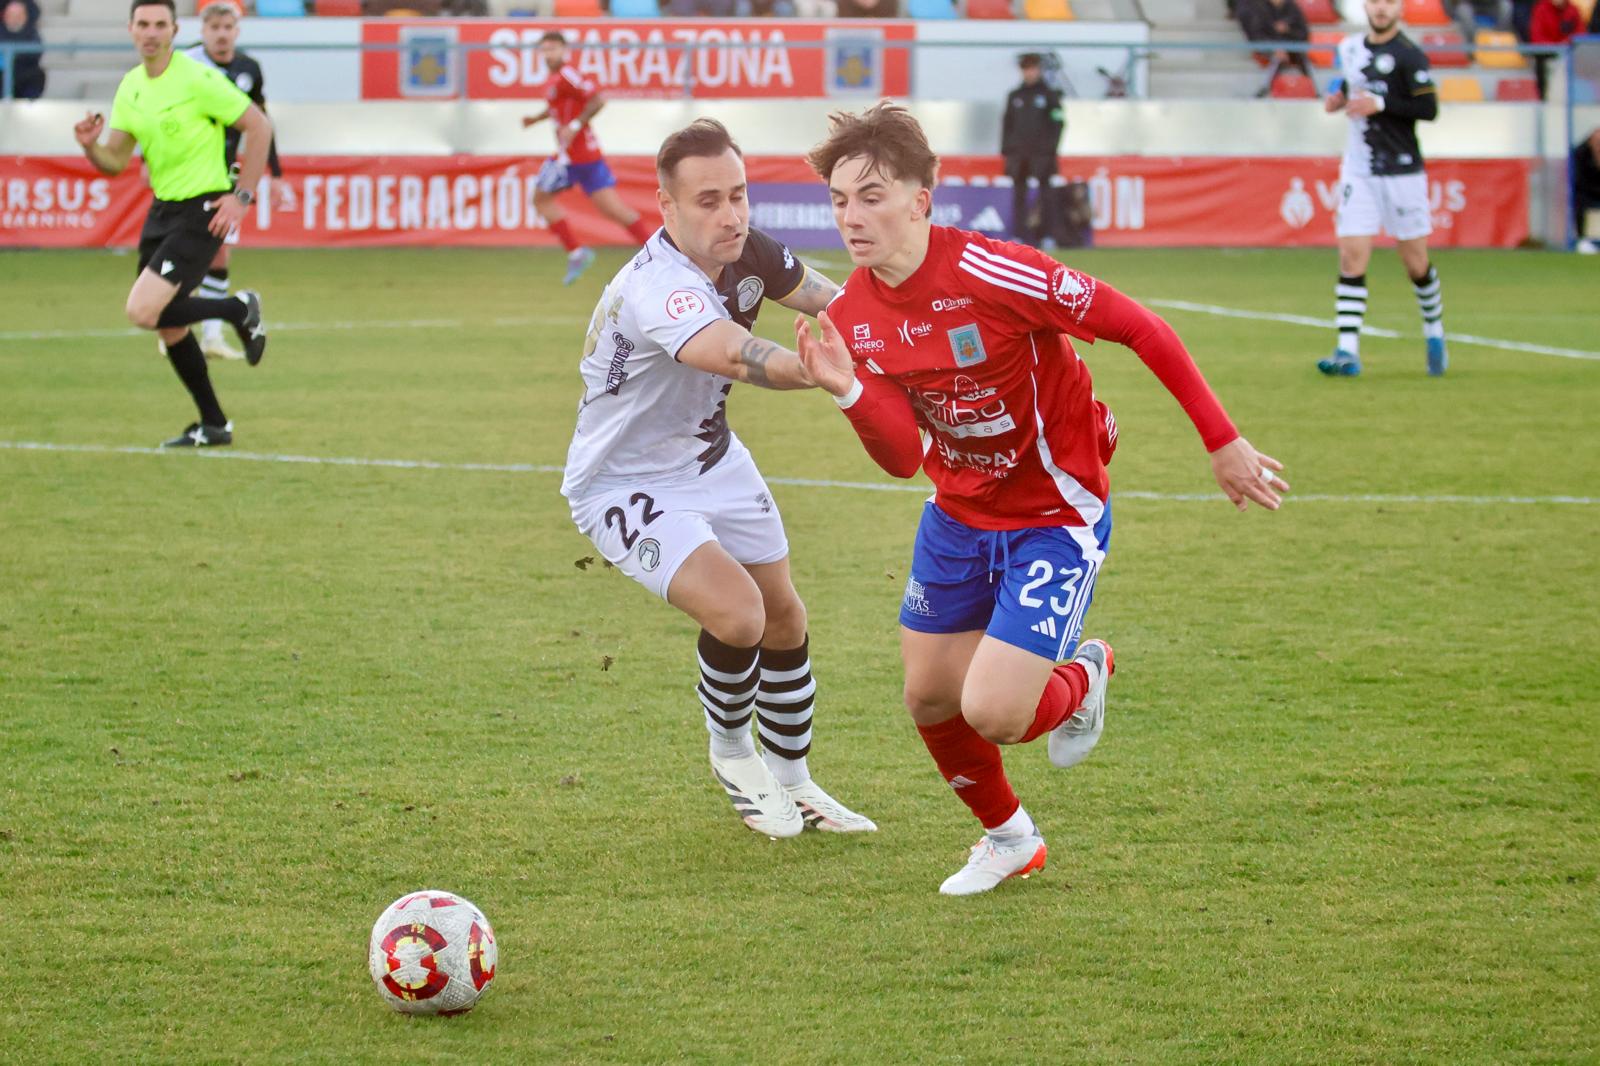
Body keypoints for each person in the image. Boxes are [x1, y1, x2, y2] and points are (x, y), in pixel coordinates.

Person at [793, 103, 1287, 896]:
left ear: (923, 198)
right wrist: (848, 387)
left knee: (993, 711)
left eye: (873, 195)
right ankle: (1009, 838)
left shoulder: (994, 272)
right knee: (928, 696)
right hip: (956, 515)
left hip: (1054, 514)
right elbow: (900, 459)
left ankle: (1085, 676)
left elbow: (1141, 327)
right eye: (840, 199)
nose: (853, 217)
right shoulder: (850, 317)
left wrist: (1221, 440)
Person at [560, 119, 873, 839]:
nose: (729, 215)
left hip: (711, 456)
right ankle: (734, 755)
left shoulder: (748, 250)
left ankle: (796, 782)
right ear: (667, 209)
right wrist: (817, 371)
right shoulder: (658, 288)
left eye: (738, 195)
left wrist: (918, 313)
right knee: (739, 615)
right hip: (622, 481)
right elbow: (731, 354)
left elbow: (841, 306)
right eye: (708, 201)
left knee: (785, 615)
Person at [74, 0, 270, 448]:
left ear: (175, 30)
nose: (151, 32)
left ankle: (237, 309)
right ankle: (215, 424)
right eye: (143, 24)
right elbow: (115, 160)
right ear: (130, 30)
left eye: (160, 24)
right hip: (163, 211)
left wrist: (240, 199)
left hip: (203, 208)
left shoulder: (198, 78)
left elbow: (259, 127)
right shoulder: (131, 86)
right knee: (167, 324)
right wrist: (89, 147)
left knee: (141, 311)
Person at [1319, 0, 1446, 378]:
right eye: (1374, 1)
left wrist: (1383, 103)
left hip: (1402, 172)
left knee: (1415, 263)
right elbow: (1346, 83)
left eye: (1388, 2)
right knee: (1351, 256)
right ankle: (1347, 350)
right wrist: (1337, 98)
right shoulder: (1350, 48)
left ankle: (1435, 332)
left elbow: (1429, 109)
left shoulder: (1410, 55)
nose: (1380, 8)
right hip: (1359, 169)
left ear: (1399, 9)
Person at [185, 1, 285, 361]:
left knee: (217, 250)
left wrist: (276, 172)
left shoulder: (248, 69)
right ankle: (173, 325)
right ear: (203, 31)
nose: (222, 34)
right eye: (215, 28)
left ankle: (209, 336)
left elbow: (262, 122)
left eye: (228, 27)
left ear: (237, 31)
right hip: (188, 170)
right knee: (190, 250)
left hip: (224, 172)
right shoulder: (187, 64)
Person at [522, 30, 656, 287]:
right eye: (544, 49)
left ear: (564, 50)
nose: (548, 53)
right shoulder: (554, 80)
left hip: (579, 156)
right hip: (570, 156)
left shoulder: (568, 74)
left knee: (612, 210)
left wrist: (575, 125)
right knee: (543, 199)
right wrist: (536, 119)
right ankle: (578, 252)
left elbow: (597, 100)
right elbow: (557, 108)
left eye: (553, 48)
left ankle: (656, 252)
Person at [1001, 54, 1065, 248]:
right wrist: (1007, 151)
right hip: (1019, 155)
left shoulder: (1049, 95)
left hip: (1042, 155)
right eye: (1026, 69)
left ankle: (1047, 236)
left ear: (1039, 70)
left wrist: (1049, 149)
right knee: (1019, 195)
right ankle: (1019, 235)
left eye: (1033, 68)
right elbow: (1007, 124)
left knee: (1046, 195)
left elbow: (1059, 122)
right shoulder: (1015, 96)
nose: (1030, 72)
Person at [1238, 0, 1313, 96]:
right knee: (1278, 59)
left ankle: (1314, 89)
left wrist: (1288, 30)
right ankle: (1266, 89)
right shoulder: (1261, 9)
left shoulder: (1292, 8)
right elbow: (1257, 36)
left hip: (1292, 47)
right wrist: (1273, 49)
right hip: (1270, 48)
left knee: (1302, 58)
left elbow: (1304, 34)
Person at [1528, 0, 1583, 99]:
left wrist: (1566, 44)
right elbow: (1536, 35)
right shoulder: (1541, 9)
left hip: (1568, 51)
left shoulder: (1573, 10)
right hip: (1548, 52)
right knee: (1540, 60)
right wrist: (1554, 47)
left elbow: (1580, 34)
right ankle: (1543, 98)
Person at [0, 0, 45, 99]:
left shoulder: (32, 33)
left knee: (37, 75)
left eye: (18, 15)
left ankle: (27, 108)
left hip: (23, 73)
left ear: (25, 17)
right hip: (2, 73)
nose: (14, 19)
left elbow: (35, 54)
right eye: (11, 15)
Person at [1573, 128, 1600, 254]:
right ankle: (1586, 240)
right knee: (1581, 204)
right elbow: (1579, 182)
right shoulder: (1580, 154)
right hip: (1587, 194)